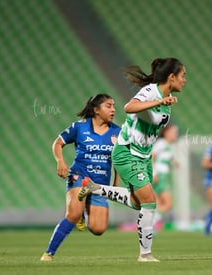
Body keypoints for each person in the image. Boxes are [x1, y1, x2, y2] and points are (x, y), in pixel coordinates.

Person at [78, 57, 186, 262]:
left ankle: (94, 188)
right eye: (183, 75)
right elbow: (129, 107)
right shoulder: (151, 92)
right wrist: (159, 101)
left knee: (138, 203)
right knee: (150, 202)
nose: (185, 80)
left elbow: (150, 121)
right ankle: (145, 255)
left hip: (143, 156)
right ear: (171, 78)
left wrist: (163, 102)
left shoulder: (167, 105)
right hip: (127, 152)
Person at [40, 94, 121, 261]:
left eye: (113, 106)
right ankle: (49, 253)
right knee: (73, 214)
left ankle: (84, 208)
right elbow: (57, 143)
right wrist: (60, 162)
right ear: (96, 110)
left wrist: (116, 184)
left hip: (99, 184)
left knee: (98, 229)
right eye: (108, 106)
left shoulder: (118, 132)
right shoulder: (79, 127)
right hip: (79, 176)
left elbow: (120, 158)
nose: (113, 109)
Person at [151, 124, 179, 231]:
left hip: (162, 176)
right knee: (168, 203)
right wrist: (154, 173)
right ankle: (151, 222)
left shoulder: (169, 145)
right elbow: (152, 156)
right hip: (160, 176)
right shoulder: (161, 143)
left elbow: (164, 159)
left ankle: (150, 228)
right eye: (173, 132)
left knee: (157, 205)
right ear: (166, 133)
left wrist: (173, 163)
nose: (175, 134)